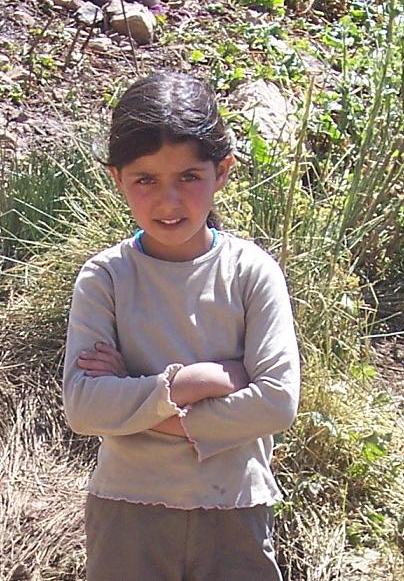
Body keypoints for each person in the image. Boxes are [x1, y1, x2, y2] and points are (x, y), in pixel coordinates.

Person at [62, 71, 300, 581]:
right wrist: (193, 383)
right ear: (117, 179)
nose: (169, 202)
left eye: (189, 177)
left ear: (223, 171)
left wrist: (134, 399)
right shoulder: (106, 278)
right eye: (145, 180)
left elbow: (277, 402)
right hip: (128, 510)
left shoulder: (250, 272)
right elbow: (83, 407)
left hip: (234, 508)